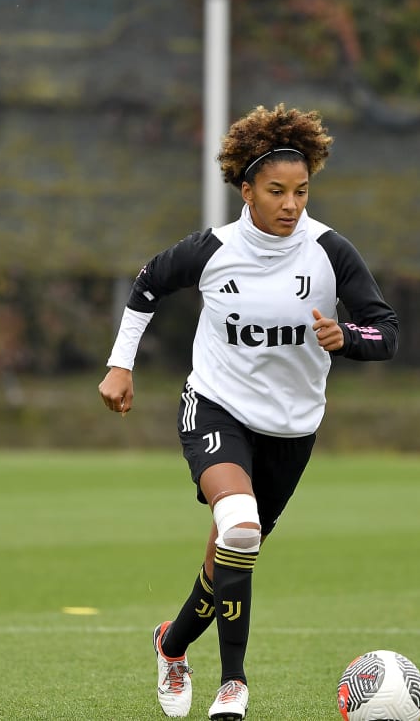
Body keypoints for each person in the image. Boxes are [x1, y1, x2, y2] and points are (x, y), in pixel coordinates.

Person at [98, 103, 399, 720]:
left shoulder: (329, 252)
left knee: (232, 553)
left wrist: (349, 338)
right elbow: (148, 283)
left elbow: (387, 332)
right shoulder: (213, 249)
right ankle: (233, 684)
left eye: (302, 191)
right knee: (239, 526)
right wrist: (120, 364)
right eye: (277, 191)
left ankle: (172, 643)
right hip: (216, 407)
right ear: (247, 190)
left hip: (292, 430)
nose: (291, 204)